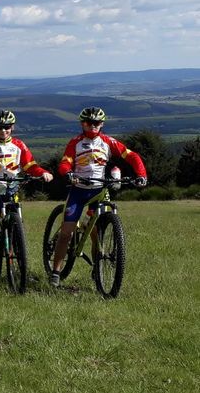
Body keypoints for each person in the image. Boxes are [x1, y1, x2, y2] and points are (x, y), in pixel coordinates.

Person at [49, 107, 147, 287]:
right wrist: (68, 173)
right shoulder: (75, 142)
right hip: (79, 190)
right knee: (66, 233)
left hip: (98, 191)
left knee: (96, 235)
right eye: (88, 123)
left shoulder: (108, 142)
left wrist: (141, 174)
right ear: (82, 124)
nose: (92, 126)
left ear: (102, 124)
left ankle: (97, 269)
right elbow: (65, 163)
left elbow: (132, 156)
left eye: (96, 123)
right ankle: (56, 271)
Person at [0, 110, 53, 282]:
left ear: (12, 127)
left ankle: (22, 273)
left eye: (6, 127)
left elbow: (30, 165)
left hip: (13, 192)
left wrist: (43, 173)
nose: (3, 131)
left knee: (17, 233)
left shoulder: (19, 145)